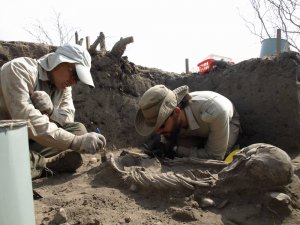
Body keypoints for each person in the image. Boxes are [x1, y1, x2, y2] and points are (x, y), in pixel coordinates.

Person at [0, 43, 106, 178]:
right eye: (74, 74)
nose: (73, 82)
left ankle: (32, 163)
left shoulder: (65, 87)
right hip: (6, 139)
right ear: (60, 61)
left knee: (78, 129)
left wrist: (51, 111)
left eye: (78, 79)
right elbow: (25, 120)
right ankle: (44, 164)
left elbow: (67, 120)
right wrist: (75, 142)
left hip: (33, 142)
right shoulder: (19, 69)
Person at [135, 85, 240, 160]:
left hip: (227, 123)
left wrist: (175, 149)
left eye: (161, 125)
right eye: (155, 127)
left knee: (213, 158)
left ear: (176, 112)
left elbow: (214, 156)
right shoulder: (174, 118)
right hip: (195, 129)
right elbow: (166, 142)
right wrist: (165, 145)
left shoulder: (215, 113)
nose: (158, 132)